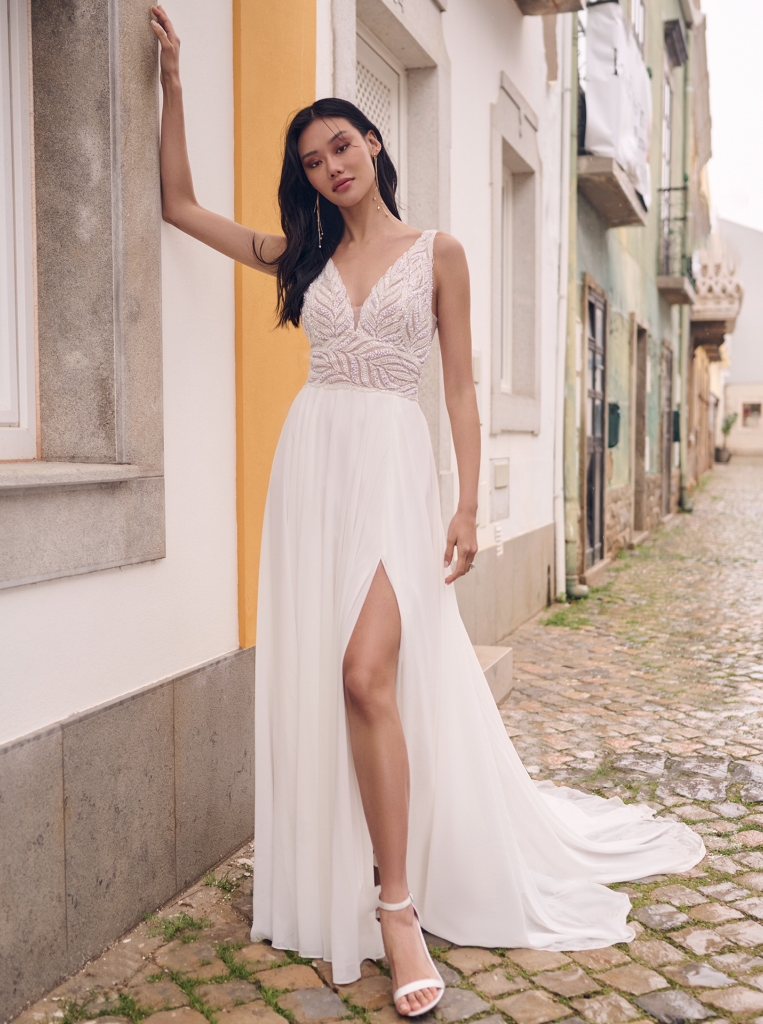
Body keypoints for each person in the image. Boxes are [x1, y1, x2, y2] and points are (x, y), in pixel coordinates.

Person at [151, 7, 705, 1018]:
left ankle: (395, 904)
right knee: (346, 681)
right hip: (313, 469)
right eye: (313, 159)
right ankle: (341, 870)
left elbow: (459, 389)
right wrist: (176, 80)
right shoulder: (302, 256)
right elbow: (182, 204)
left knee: (368, 672)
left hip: (398, 473)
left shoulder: (439, 250)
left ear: (374, 143)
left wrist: (463, 502)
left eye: (342, 144)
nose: (330, 166)